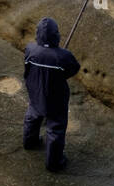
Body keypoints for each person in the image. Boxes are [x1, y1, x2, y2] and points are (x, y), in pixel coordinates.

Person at [22, 16, 80, 172]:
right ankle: (54, 163)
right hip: (56, 98)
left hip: (35, 92)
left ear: (38, 34)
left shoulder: (30, 49)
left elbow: (27, 67)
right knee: (55, 127)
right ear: (56, 35)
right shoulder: (64, 56)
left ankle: (30, 142)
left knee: (33, 116)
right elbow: (73, 69)